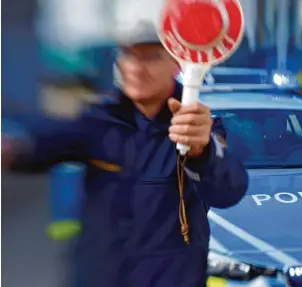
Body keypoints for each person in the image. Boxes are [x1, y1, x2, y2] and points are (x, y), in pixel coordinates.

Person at [2, 20, 249, 287]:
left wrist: (203, 151)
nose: (135, 68)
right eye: (128, 55)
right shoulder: (100, 122)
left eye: (150, 57)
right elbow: (43, 141)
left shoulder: (198, 126)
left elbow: (228, 190)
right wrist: (14, 147)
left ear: (177, 64)